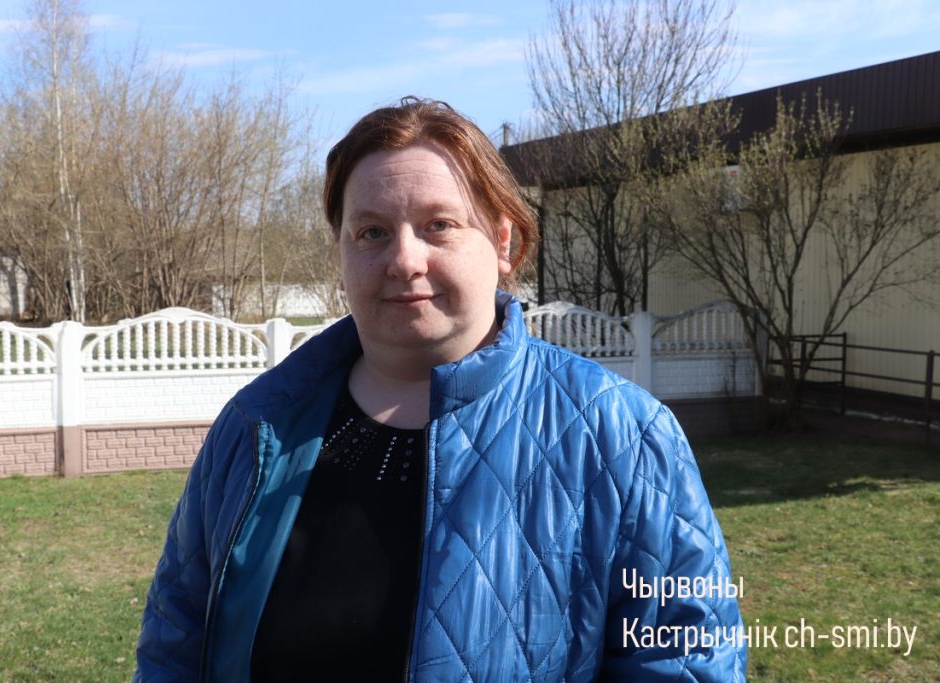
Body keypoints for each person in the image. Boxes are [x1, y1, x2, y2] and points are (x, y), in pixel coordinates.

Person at [134, 97, 747, 682]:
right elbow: (174, 644)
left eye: (439, 225)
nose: (405, 259)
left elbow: (687, 662)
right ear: (340, 250)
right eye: (371, 232)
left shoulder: (625, 438)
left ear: (503, 241)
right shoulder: (255, 426)